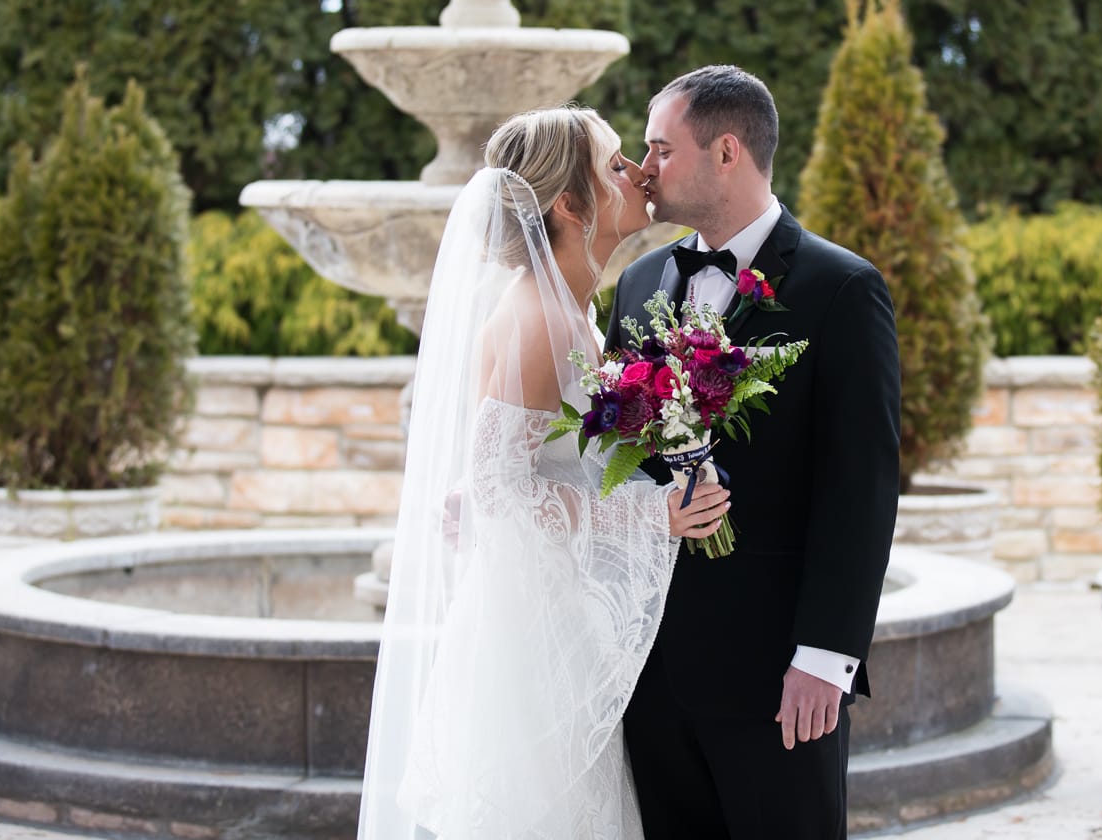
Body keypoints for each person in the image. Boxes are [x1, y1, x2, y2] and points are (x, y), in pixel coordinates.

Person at [357, 106, 732, 840]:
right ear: (568, 204)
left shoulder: (577, 313)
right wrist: (653, 514)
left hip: (560, 613)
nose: (636, 174)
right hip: (536, 640)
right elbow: (501, 491)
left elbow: (498, 472)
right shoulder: (544, 321)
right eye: (616, 164)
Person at [612, 66, 902, 840]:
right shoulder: (637, 283)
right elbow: (615, 460)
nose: (645, 170)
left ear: (727, 151)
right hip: (650, 673)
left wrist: (827, 657)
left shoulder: (842, 289)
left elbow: (862, 491)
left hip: (777, 677)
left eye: (661, 149)